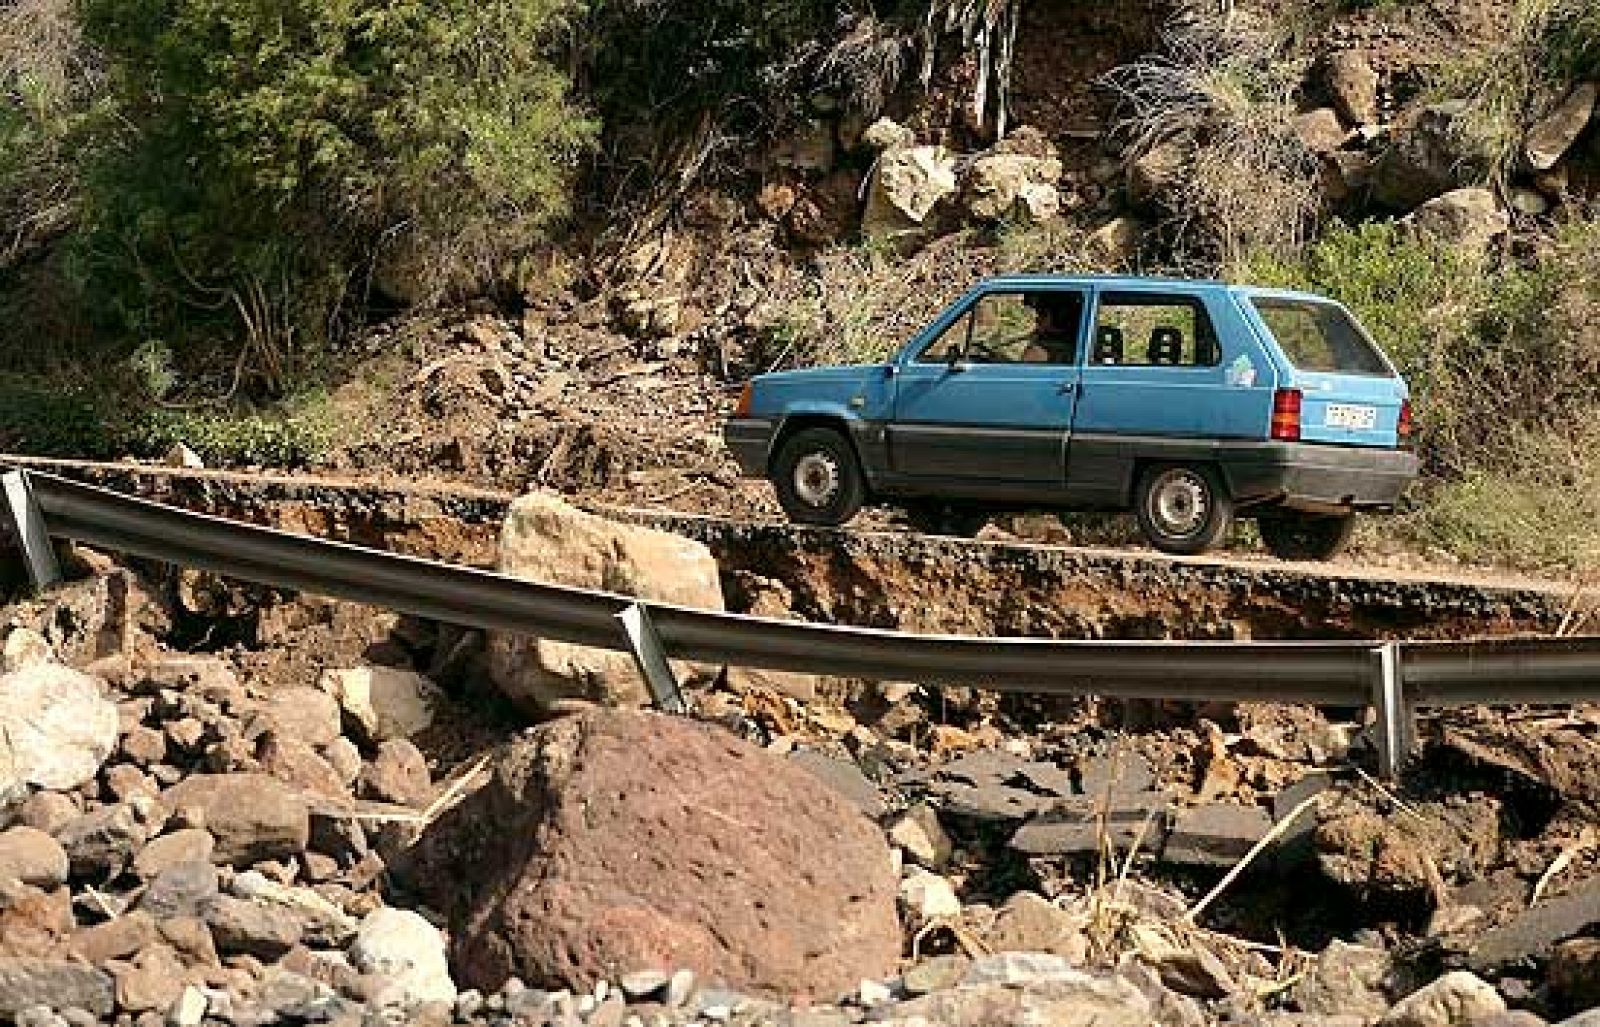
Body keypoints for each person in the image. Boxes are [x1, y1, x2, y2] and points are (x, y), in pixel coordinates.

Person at [1021, 293, 1081, 364]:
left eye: (1042, 314)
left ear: (1058, 318)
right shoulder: (1077, 343)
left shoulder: (1038, 352)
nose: (1037, 318)